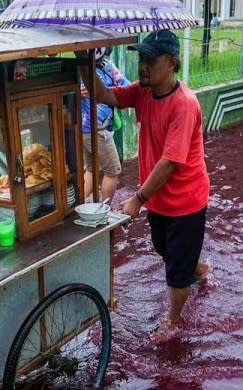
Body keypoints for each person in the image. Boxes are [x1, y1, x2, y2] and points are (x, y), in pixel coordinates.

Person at [79, 30, 211, 342]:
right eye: (142, 58)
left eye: (150, 59)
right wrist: (83, 62)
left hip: (186, 201)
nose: (143, 65)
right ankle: (200, 269)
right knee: (165, 250)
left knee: (175, 273)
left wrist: (137, 198)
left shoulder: (184, 104)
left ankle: (173, 321)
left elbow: (169, 162)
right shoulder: (143, 92)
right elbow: (107, 96)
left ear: (172, 62)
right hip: (159, 200)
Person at [81, 48, 130, 203]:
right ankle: (104, 210)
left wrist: (105, 91)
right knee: (112, 170)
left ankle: (79, 205)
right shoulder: (82, 68)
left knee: (92, 169)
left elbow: (127, 86)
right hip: (96, 130)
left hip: (88, 129)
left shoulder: (106, 67)